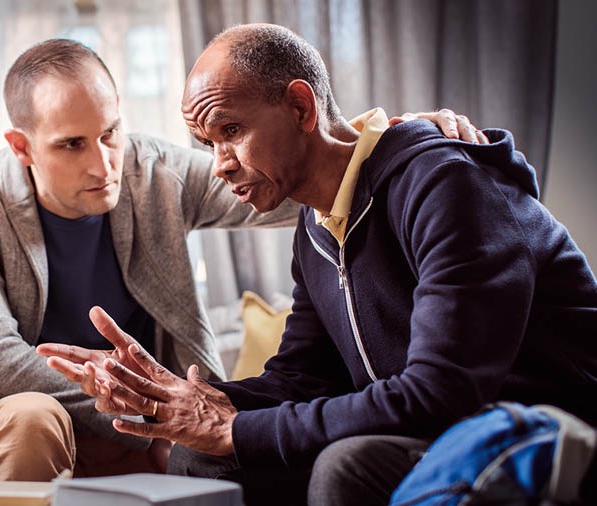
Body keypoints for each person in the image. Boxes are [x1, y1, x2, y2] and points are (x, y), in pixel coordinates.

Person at [38, 23, 597, 505]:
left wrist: (235, 428)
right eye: (207, 143)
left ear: (302, 107)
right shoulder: (315, 227)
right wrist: (181, 400)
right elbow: (303, 378)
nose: (219, 166)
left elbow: (438, 393)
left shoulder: (444, 186)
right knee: (200, 459)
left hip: (543, 434)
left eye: (231, 131)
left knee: (348, 465)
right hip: (440, 435)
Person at [0, 37, 483, 482]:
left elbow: (291, 176)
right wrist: (152, 410)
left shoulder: (150, 172)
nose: (104, 164)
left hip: (154, 432)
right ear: (21, 147)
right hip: (43, 421)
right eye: (72, 144)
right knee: (33, 418)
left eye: (111, 133)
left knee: (215, 456)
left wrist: (389, 142)